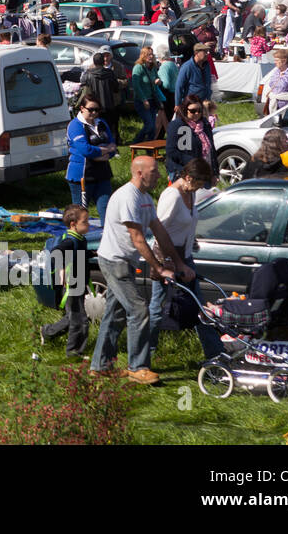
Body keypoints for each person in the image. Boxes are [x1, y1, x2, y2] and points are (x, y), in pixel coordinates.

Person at [90, 155, 181, 384]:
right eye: (154, 171)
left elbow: (159, 231)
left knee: (115, 313)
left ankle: (100, 367)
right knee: (139, 310)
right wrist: (158, 268)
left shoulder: (145, 199)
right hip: (114, 261)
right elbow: (138, 238)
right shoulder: (127, 197)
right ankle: (138, 368)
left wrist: (178, 262)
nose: (159, 175)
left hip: (125, 262)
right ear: (140, 173)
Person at [148, 158, 223, 358]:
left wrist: (192, 240)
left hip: (186, 256)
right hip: (167, 259)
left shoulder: (190, 194)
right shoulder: (171, 196)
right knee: (157, 307)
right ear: (188, 177)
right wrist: (168, 264)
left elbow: (184, 224)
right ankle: (144, 354)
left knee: (199, 307)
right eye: (198, 183)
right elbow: (159, 230)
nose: (200, 188)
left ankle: (215, 354)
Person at [39, 204, 91, 358]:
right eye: (85, 222)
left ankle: (47, 332)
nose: (88, 225)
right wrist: (62, 271)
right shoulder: (70, 241)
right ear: (73, 224)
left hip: (80, 283)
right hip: (71, 284)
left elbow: (81, 255)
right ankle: (74, 352)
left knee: (73, 316)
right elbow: (56, 253)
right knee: (80, 319)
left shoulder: (80, 239)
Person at [66, 97, 116, 221]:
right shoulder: (75, 126)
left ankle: (107, 237)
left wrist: (103, 155)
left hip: (102, 174)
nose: (94, 113)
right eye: (91, 110)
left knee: (107, 210)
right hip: (82, 176)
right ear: (82, 108)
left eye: (97, 110)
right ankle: (76, 239)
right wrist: (104, 150)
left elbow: (113, 146)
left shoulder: (102, 123)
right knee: (79, 215)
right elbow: (85, 150)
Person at [165, 93, 215, 182]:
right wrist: (194, 163)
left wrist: (215, 172)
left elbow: (212, 150)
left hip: (204, 172)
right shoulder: (178, 125)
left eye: (199, 110)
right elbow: (171, 151)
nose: (197, 113)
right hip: (185, 173)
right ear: (185, 110)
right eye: (193, 111)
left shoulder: (205, 124)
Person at [79, 48, 123, 139]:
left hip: (93, 106)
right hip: (109, 105)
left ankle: (98, 143)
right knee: (111, 127)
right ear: (103, 62)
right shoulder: (110, 73)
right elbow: (116, 88)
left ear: (94, 62)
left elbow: (83, 85)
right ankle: (113, 145)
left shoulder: (88, 74)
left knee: (95, 127)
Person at [130, 46, 161, 143]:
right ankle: (136, 143)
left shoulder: (153, 67)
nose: (151, 56)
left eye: (152, 54)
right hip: (141, 101)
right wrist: (144, 100)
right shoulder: (138, 67)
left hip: (152, 99)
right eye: (148, 54)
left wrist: (158, 81)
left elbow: (157, 78)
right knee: (149, 125)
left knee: (153, 127)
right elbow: (136, 86)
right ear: (143, 55)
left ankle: (150, 149)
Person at [175, 43, 213, 107]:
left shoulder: (207, 66)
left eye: (207, 51)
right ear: (196, 53)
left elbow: (208, 83)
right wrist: (177, 104)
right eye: (205, 52)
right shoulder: (187, 66)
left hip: (205, 102)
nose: (207, 54)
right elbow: (179, 86)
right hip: (191, 103)